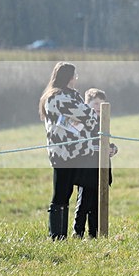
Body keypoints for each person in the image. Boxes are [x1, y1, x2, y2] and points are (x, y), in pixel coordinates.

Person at [39, 62, 98, 240]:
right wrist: (87, 118)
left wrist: (86, 118)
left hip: (79, 151)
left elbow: (90, 118)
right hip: (64, 153)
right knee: (62, 193)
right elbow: (89, 116)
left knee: (83, 190)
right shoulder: (57, 98)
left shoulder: (71, 96)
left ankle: (82, 232)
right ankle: (57, 236)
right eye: (75, 75)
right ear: (68, 77)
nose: (76, 78)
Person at [73, 88, 119, 238]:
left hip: (102, 169)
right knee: (83, 203)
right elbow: (82, 145)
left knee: (97, 205)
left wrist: (113, 149)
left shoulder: (103, 122)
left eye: (102, 104)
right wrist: (102, 149)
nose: (99, 107)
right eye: (96, 104)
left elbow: (107, 143)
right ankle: (77, 232)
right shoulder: (82, 123)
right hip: (87, 170)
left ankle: (94, 234)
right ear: (87, 105)